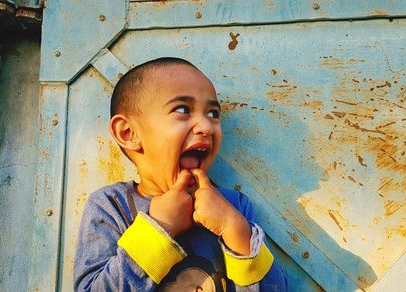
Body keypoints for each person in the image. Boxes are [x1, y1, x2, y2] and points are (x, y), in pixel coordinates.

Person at [74, 57, 287, 291]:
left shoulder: (234, 205)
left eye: (213, 114)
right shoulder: (111, 206)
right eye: (183, 110)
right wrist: (159, 229)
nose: (206, 126)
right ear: (128, 133)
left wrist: (235, 230)